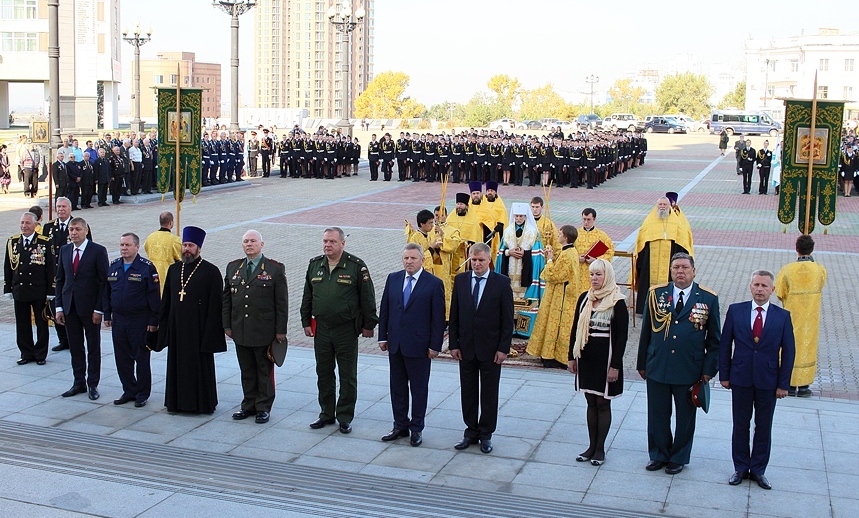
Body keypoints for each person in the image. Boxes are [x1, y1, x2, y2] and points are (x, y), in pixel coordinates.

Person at [637, 252, 720, 475]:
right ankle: (658, 454)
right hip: (658, 365)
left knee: (685, 417)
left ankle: (679, 457)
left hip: (689, 368)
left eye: (684, 267)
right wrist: (642, 363)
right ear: (671, 271)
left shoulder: (708, 298)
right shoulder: (656, 294)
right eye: (676, 268)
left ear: (694, 271)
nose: (680, 271)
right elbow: (646, 332)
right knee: (657, 414)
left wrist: (708, 370)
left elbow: (714, 340)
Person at [719, 270, 795, 490]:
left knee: (763, 427)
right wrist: (724, 375)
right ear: (750, 287)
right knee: (740, 425)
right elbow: (725, 344)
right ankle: (740, 468)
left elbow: (789, 351)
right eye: (756, 285)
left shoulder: (782, 316)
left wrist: (783, 384)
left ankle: (759, 469)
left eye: (764, 286)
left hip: (768, 381)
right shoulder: (736, 311)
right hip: (741, 378)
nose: (760, 289)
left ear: (772, 290)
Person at [301, 227, 378, 434]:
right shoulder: (315, 265)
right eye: (325, 241)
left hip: (346, 329)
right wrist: (305, 321)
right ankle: (326, 413)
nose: (328, 245)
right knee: (323, 373)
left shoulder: (356, 266)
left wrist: (369, 325)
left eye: (332, 241)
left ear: (342, 243)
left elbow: (367, 298)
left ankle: (344, 416)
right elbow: (308, 295)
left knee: (347, 374)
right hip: (322, 329)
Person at [377, 243, 446, 446]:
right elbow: (385, 309)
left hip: (419, 346)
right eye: (406, 258)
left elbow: (438, 319)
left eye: (413, 258)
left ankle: (416, 428)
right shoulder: (393, 278)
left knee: (418, 389)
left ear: (422, 260)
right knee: (397, 388)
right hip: (396, 344)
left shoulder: (433, 284)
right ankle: (400, 425)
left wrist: (435, 345)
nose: (409, 262)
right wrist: (383, 337)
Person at [449, 242, 514, 454]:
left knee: (489, 393)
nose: (477, 264)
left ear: (489, 260)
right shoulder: (461, 280)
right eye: (474, 260)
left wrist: (503, 348)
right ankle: (471, 431)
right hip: (466, 347)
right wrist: (453, 344)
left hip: (491, 349)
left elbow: (507, 320)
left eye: (481, 260)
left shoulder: (501, 283)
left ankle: (486, 433)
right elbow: (455, 314)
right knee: (468, 391)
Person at [156, 226, 227, 414]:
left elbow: (216, 306)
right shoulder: (174, 269)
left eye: (191, 245)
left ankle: (201, 405)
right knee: (177, 367)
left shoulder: (211, 271)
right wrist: (163, 328)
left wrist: (211, 335)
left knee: (198, 369)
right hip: (177, 330)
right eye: (185, 245)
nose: (187, 249)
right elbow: (166, 301)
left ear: (199, 248)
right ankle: (176, 403)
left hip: (199, 331)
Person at [223, 230, 289, 424]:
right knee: (246, 370)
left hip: (263, 330)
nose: (249, 244)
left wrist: (281, 330)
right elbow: (226, 299)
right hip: (240, 328)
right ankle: (248, 405)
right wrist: (227, 325)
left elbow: (281, 302)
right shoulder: (233, 267)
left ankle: (263, 407)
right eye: (246, 241)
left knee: (263, 370)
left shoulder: (274, 269)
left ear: (262, 244)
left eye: (253, 241)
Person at [568, 258, 629, 465]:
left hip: (606, 359)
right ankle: (591, 446)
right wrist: (571, 357)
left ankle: (600, 449)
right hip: (586, 358)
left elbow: (622, 337)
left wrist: (615, 366)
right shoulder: (585, 298)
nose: (594, 278)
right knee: (590, 401)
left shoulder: (617, 301)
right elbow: (575, 329)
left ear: (607, 276)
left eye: (598, 274)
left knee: (603, 403)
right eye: (592, 274)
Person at [54, 217, 109, 400]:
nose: (74, 233)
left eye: (77, 229)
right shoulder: (65, 250)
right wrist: (59, 307)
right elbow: (60, 280)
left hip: (90, 309)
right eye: (71, 229)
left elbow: (103, 282)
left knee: (93, 347)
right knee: (75, 347)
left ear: (86, 231)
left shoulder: (98, 251)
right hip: (70, 307)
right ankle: (79, 382)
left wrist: (99, 309)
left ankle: (93, 383)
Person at [104, 233, 160, 408]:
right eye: (122, 245)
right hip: (119, 320)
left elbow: (154, 296)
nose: (124, 248)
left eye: (127, 245)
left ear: (137, 247)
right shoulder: (114, 266)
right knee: (122, 358)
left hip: (139, 321)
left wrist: (154, 320)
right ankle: (129, 390)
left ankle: (142, 393)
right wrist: (107, 314)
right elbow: (107, 292)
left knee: (141, 358)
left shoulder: (146, 268)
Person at [775, 235, 826, 397]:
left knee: (789, 345)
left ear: (796, 248)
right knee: (807, 346)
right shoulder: (819, 269)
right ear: (812, 249)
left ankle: (789, 384)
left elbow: (780, 291)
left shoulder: (788, 270)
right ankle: (804, 385)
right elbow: (821, 284)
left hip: (791, 315)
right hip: (811, 317)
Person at [4, 212, 55, 365]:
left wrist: (51, 290)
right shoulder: (13, 241)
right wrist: (8, 288)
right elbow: (8, 266)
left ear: (35, 224)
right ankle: (26, 353)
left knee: (41, 323)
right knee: (22, 324)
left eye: (27, 223)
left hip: (39, 290)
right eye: (22, 223)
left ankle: (40, 354)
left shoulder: (45, 242)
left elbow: (51, 268)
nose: (24, 226)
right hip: (20, 289)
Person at [526, 225, 579, 369]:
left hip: (561, 298)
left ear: (566, 237)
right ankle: (548, 354)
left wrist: (549, 261)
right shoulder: (569, 251)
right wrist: (551, 256)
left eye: (560, 234)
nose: (558, 236)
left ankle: (553, 356)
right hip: (558, 294)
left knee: (556, 325)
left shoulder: (568, 254)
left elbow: (554, 275)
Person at [633, 196, 694, 314]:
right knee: (647, 282)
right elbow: (642, 240)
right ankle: (646, 309)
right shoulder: (649, 221)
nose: (662, 207)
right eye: (660, 204)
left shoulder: (676, 222)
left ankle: (668, 308)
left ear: (669, 206)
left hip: (670, 260)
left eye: (664, 204)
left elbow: (682, 241)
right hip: (650, 261)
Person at [495, 202, 545, 302]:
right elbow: (500, 252)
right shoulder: (507, 231)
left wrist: (525, 254)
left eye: (521, 216)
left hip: (526, 272)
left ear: (525, 216)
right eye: (516, 216)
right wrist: (508, 252)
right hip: (509, 271)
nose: (518, 218)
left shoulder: (533, 232)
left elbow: (538, 255)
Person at [576, 208, 615, 294]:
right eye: (584, 219)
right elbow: (568, 250)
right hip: (578, 272)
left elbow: (610, 252)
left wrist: (596, 260)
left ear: (594, 219)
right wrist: (576, 257)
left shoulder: (602, 235)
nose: (586, 222)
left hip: (594, 273)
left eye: (588, 219)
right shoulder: (575, 234)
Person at [143, 212, 183, 295]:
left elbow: (146, 249)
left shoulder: (150, 237)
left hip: (151, 273)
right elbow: (181, 257)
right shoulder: (174, 240)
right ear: (171, 223)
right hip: (167, 275)